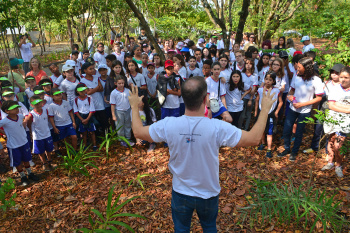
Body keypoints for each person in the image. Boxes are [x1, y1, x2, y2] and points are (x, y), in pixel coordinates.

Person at [128, 74, 277, 232]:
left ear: (183, 98)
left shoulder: (169, 125)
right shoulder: (217, 127)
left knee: (181, 229)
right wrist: (265, 109)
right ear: (206, 98)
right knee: (209, 227)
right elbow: (254, 139)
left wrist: (134, 107)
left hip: (181, 192)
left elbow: (138, 132)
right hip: (208, 193)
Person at [278, 58, 324, 161]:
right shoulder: (296, 76)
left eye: (299, 67)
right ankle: (287, 148)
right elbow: (291, 91)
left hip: (305, 111)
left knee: (299, 132)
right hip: (292, 108)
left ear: (306, 68)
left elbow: (319, 98)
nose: (297, 69)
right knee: (286, 130)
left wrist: (303, 104)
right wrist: (290, 97)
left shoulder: (316, 80)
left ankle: (294, 152)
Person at [303, 63, 345, 155]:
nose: (334, 74)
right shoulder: (325, 84)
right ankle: (314, 147)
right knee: (318, 129)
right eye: (332, 72)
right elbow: (318, 96)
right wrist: (314, 111)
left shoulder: (343, 86)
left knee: (331, 132)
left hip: (335, 112)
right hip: (322, 110)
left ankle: (328, 151)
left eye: (336, 73)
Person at [0, 100, 39, 186]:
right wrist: (4, 132)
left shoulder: (20, 116)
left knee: (26, 159)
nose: (17, 109)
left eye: (17, 107)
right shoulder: (5, 121)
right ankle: (23, 176)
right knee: (17, 162)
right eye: (14, 108)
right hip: (14, 146)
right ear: (7, 111)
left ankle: (30, 173)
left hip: (24, 142)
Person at [322, 66, 350, 178]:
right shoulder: (335, 88)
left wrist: (339, 105)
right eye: (341, 77)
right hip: (332, 118)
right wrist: (348, 109)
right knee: (331, 141)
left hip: (345, 121)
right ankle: (330, 162)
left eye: (346, 77)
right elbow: (331, 105)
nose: (343, 79)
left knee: (338, 145)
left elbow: (335, 104)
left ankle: (338, 165)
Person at [255, 71, 283, 158]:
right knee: (262, 130)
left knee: (269, 132)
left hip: (270, 113)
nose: (267, 81)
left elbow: (281, 102)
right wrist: (256, 112)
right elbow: (257, 100)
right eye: (266, 79)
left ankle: (269, 149)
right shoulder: (260, 90)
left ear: (273, 81)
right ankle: (263, 144)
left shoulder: (276, 90)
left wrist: (276, 111)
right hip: (261, 113)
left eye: (270, 80)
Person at [27, 96, 54, 171]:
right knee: (41, 151)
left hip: (47, 134)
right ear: (32, 105)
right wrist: (32, 133)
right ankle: (44, 163)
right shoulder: (31, 115)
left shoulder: (46, 110)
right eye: (36, 104)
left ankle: (49, 161)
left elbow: (47, 120)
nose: (38, 105)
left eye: (39, 103)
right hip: (38, 136)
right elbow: (29, 124)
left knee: (49, 149)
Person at [80, 63, 107, 135]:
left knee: (104, 120)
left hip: (100, 103)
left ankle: (105, 135)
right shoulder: (83, 81)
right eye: (90, 69)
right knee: (95, 122)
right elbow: (88, 92)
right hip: (91, 104)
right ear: (85, 70)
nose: (92, 70)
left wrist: (92, 89)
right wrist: (97, 87)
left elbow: (101, 89)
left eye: (93, 68)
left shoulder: (96, 77)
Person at [110, 75, 134, 147]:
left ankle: (128, 139)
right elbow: (112, 105)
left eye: (122, 83)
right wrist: (113, 115)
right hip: (119, 111)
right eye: (119, 83)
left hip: (128, 110)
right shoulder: (114, 93)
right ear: (115, 83)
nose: (121, 85)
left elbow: (131, 101)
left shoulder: (127, 91)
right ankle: (122, 140)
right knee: (120, 126)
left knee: (128, 125)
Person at [73, 84, 98, 151]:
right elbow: (76, 111)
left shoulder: (89, 98)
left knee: (92, 132)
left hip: (89, 116)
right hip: (81, 117)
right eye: (81, 91)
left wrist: (87, 119)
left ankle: (94, 145)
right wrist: (82, 120)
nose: (83, 92)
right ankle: (85, 145)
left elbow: (92, 110)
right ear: (77, 91)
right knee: (84, 133)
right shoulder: (76, 100)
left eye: (84, 90)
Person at [238, 58, 258, 130]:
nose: (248, 65)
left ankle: (246, 129)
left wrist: (250, 98)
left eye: (250, 64)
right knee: (242, 114)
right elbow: (240, 85)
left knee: (248, 113)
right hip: (242, 96)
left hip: (250, 98)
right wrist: (246, 90)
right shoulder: (241, 74)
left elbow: (254, 88)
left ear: (252, 65)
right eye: (247, 63)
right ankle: (240, 128)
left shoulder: (254, 75)